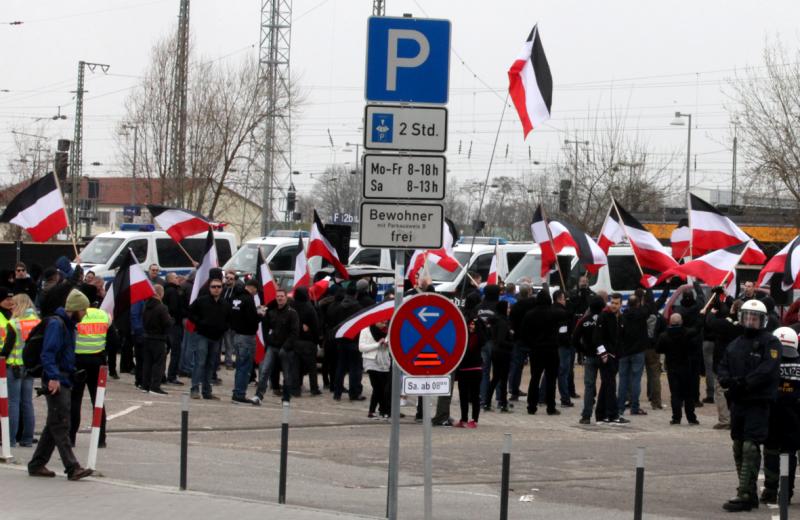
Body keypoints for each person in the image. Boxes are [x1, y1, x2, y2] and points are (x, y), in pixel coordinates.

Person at [717, 299, 781, 512]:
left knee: (750, 446)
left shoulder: (770, 342)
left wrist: (744, 383)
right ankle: (749, 491)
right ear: (742, 317)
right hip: (738, 402)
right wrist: (727, 380)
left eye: (755, 318)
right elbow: (723, 365)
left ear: (762, 320)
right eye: (748, 317)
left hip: (758, 401)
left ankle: (744, 494)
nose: (751, 321)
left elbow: (767, 369)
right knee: (738, 445)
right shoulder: (735, 343)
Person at [28, 289, 93, 481]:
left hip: (63, 377)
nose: (86, 314)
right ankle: (72, 467)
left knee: (54, 423)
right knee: (62, 423)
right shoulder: (57, 325)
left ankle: (37, 464)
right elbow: (48, 353)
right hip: (56, 380)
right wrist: (54, 377)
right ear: (75, 309)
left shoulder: (67, 324)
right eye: (84, 309)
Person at [760, 327, 800, 504]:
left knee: (770, 452)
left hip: (772, 414)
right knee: (789, 455)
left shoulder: (769, 363)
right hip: (794, 417)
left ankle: (770, 490)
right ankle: (786, 492)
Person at [69, 304, 117, 447]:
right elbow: (114, 342)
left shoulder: (77, 315)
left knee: (75, 400)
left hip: (78, 361)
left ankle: (70, 438)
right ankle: (100, 439)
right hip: (97, 362)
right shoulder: (103, 315)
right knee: (98, 400)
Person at [1, 293, 39, 447]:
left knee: (13, 403)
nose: (12, 307)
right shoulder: (37, 322)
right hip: (30, 367)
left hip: (14, 366)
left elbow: (7, 348)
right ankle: (27, 439)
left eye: (14, 304)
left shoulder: (14, 323)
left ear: (20, 305)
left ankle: (9, 440)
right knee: (27, 403)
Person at [188, 278, 230, 400]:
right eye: (214, 287)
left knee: (211, 365)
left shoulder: (225, 304)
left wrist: (224, 328)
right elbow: (190, 312)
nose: (216, 289)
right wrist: (200, 323)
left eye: (219, 286)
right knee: (200, 363)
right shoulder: (201, 301)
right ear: (209, 288)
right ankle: (194, 389)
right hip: (202, 336)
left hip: (216, 338)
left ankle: (207, 391)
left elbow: (229, 319)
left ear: (222, 288)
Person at [656, 313, 702, 425]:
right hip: (686, 367)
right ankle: (691, 418)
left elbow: (658, 349)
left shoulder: (664, 336)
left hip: (672, 368)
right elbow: (697, 328)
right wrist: (700, 316)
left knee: (675, 394)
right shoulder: (686, 333)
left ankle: (676, 418)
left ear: (670, 322)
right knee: (688, 394)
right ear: (681, 322)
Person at [705, 299, 744, 430]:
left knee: (720, 390)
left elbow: (711, 323)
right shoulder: (745, 327)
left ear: (732, 309)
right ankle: (737, 418)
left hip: (723, 360)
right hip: (740, 362)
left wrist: (711, 312)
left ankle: (725, 419)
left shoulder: (725, 324)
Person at [256, 289, 299, 402]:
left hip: (285, 349)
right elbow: (266, 327)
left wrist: (285, 347)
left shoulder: (292, 313)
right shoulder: (272, 312)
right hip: (272, 346)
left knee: (287, 374)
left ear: (286, 298)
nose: (279, 298)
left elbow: (294, 332)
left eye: (282, 296)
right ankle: (259, 395)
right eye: (278, 296)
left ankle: (286, 397)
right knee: (265, 370)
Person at [523, 289, 561, 415]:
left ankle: (531, 406)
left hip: (536, 350)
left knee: (535, 378)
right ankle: (550, 406)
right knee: (551, 379)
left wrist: (531, 345)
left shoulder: (529, 314)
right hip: (551, 349)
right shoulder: (554, 313)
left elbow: (525, 333)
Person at [593, 293, 629, 424]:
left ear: (620, 304)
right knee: (610, 385)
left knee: (606, 385)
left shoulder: (620, 317)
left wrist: (620, 353)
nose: (614, 305)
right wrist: (604, 354)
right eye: (612, 303)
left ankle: (601, 414)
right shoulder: (604, 316)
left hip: (616, 356)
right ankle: (613, 415)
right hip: (606, 357)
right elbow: (597, 337)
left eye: (616, 303)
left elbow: (621, 337)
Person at [230, 279, 262, 405]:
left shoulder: (235, 298)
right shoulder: (248, 299)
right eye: (256, 290)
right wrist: (260, 315)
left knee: (239, 366)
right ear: (252, 288)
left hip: (237, 335)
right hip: (247, 337)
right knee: (245, 368)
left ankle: (236, 392)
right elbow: (251, 320)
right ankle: (239, 394)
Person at [574, 296, 605, 424]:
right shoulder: (607, 319)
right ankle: (602, 414)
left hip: (590, 356)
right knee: (606, 385)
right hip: (604, 356)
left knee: (589, 387)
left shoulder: (584, 321)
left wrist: (583, 350)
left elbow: (574, 339)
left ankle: (586, 415)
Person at [331, 284, 364, 401]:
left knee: (340, 368)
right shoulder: (358, 308)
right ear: (356, 294)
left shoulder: (339, 307)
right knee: (355, 369)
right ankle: (354, 393)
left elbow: (334, 323)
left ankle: (337, 392)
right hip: (354, 342)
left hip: (341, 342)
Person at [456, 301, 485, 428]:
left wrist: (477, 324)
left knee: (474, 395)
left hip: (475, 368)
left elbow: (482, 337)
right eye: (469, 324)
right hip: (463, 369)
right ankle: (463, 418)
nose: (471, 326)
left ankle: (474, 419)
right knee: (463, 395)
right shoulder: (463, 337)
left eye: (473, 324)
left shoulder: (479, 338)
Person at [142, 285, 173, 395]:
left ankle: (145, 385)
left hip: (147, 337)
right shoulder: (162, 307)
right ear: (161, 294)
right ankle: (155, 386)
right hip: (159, 338)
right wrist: (171, 320)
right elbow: (167, 323)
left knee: (147, 363)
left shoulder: (145, 305)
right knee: (158, 363)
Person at [293, 286, 321, 396]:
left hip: (295, 341)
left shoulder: (292, 306)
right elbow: (315, 326)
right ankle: (314, 388)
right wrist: (316, 340)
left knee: (296, 367)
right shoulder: (309, 308)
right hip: (308, 342)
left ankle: (296, 389)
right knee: (312, 368)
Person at [359, 321, 391, 419]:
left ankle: (383, 410)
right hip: (371, 361)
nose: (384, 324)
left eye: (385, 322)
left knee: (384, 388)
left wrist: (387, 345)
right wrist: (377, 345)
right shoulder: (366, 330)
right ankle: (372, 411)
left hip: (384, 362)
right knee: (377, 387)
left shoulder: (388, 332)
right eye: (381, 322)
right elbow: (361, 347)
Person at [508, 285, 535, 400]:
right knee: (535, 368)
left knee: (516, 367)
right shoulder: (533, 305)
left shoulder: (515, 306)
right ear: (529, 292)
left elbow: (511, 322)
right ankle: (534, 392)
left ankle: (514, 391)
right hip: (532, 339)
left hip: (518, 339)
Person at [486, 300, 513, 412]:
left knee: (496, 378)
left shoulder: (496, 320)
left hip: (496, 352)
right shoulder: (502, 322)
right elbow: (501, 340)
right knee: (502, 378)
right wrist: (512, 343)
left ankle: (488, 402)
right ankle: (503, 403)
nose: (509, 310)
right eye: (508, 307)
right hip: (503, 353)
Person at [553, 290, 576, 408]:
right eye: (564, 299)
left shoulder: (551, 310)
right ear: (559, 299)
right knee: (563, 372)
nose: (565, 301)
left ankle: (542, 396)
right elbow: (563, 332)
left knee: (551, 372)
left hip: (552, 345)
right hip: (563, 346)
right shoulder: (562, 313)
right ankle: (565, 398)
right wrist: (568, 343)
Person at [163, 272, 185, 385]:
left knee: (165, 351)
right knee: (176, 351)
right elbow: (174, 308)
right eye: (176, 277)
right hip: (174, 325)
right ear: (170, 279)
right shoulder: (172, 291)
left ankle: (162, 375)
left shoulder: (168, 290)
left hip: (169, 325)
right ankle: (172, 376)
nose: (178, 279)